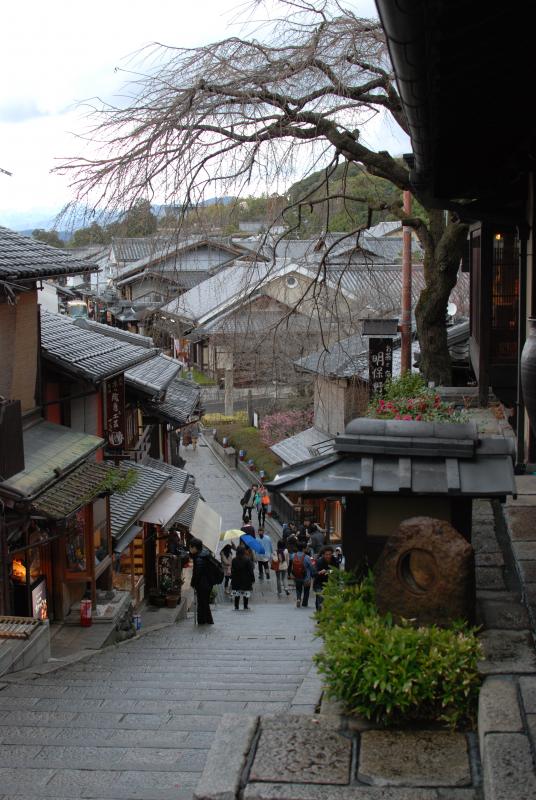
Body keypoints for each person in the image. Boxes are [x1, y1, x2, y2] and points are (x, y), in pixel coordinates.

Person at [189, 537, 215, 625]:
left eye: (190, 547)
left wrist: (193, 583)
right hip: (208, 583)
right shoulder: (204, 554)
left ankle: (202, 621)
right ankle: (208, 620)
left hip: (203, 584)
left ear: (195, 548)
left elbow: (197, 573)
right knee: (205, 602)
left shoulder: (199, 558)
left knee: (202, 603)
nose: (190, 549)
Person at [313, 545, 339, 611]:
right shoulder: (319, 562)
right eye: (326, 554)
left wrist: (327, 571)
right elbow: (314, 573)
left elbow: (337, 571)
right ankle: (319, 616)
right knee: (320, 599)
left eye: (329, 554)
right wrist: (319, 572)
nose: (328, 556)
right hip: (319, 583)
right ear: (323, 554)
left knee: (330, 601)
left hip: (331, 584)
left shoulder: (335, 561)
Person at [231, 544, 255, 610]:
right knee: (246, 592)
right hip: (246, 579)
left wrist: (232, 578)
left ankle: (236, 606)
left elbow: (232, 570)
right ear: (244, 551)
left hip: (236, 579)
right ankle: (245, 605)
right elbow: (251, 571)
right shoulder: (247, 560)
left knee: (237, 593)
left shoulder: (234, 560)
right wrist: (253, 579)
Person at [290, 542, 314, 608]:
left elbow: (291, 565)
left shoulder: (293, 555)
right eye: (306, 548)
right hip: (306, 577)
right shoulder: (307, 557)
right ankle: (304, 603)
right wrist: (313, 575)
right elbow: (311, 567)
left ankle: (298, 599)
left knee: (298, 589)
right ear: (304, 549)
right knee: (306, 590)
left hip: (297, 576)